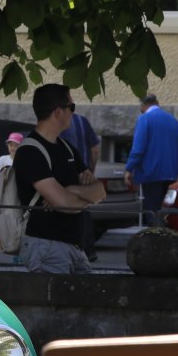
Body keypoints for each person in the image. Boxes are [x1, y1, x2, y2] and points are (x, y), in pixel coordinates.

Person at [13, 84, 98, 273]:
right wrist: (83, 196)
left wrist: (72, 191)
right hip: (47, 246)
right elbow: (64, 203)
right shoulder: (30, 151)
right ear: (58, 112)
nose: (73, 113)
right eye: (72, 107)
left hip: (75, 246)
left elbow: (99, 191)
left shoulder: (66, 147)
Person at [124, 93, 178, 227]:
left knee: (151, 212)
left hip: (150, 173)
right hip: (169, 173)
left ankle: (156, 236)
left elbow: (138, 149)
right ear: (157, 103)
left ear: (142, 106)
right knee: (158, 209)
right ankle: (160, 232)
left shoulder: (144, 119)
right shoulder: (172, 120)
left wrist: (129, 168)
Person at [59, 107, 103, 261]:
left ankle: (71, 250)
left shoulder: (57, 123)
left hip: (65, 175)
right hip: (83, 174)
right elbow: (95, 149)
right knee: (84, 212)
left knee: (65, 212)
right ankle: (88, 250)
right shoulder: (82, 121)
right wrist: (91, 170)